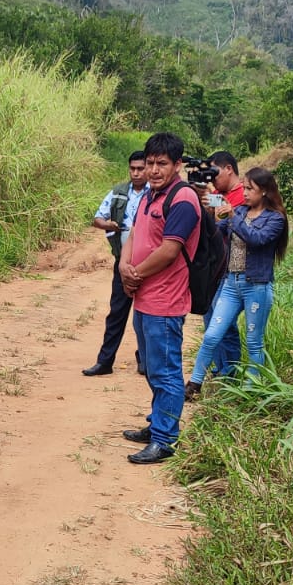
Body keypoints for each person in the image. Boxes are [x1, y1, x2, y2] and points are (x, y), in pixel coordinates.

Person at [118, 132, 202, 465]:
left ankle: (165, 440)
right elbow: (136, 233)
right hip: (144, 298)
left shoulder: (182, 199)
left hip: (165, 301)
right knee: (152, 369)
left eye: (161, 164)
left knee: (166, 371)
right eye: (150, 163)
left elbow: (169, 250)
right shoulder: (151, 196)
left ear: (177, 165)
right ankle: (157, 425)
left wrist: (134, 273)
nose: (153, 170)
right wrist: (124, 264)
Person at [187, 167, 290, 393]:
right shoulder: (241, 211)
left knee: (254, 341)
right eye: (244, 188)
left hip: (257, 286)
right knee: (212, 334)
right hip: (231, 283)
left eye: (250, 189)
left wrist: (233, 217)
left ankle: (253, 387)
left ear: (264, 191)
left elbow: (257, 239)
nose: (244, 193)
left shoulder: (275, 218)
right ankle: (194, 382)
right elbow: (215, 231)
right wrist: (209, 210)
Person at [83, 151, 150, 377]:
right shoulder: (119, 192)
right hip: (123, 262)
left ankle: (145, 359)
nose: (136, 173)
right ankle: (105, 361)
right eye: (133, 168)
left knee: (146, 315)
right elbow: (97, 218)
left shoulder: (157, 193)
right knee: (117, 312)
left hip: (150, 264)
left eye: (141, 168)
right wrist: (107, 224)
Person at [193, 150, 245, 384]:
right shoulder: (219, 194)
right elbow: (210, 222)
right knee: (210, 317)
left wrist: (211, 197)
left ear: (228, 169)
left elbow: (229, 216)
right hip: (215, 263)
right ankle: (220, 367)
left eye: (215, 172)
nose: (212, 179)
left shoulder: (244, 192)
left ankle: (230, 372)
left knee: (226, 322)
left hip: (234, 265)